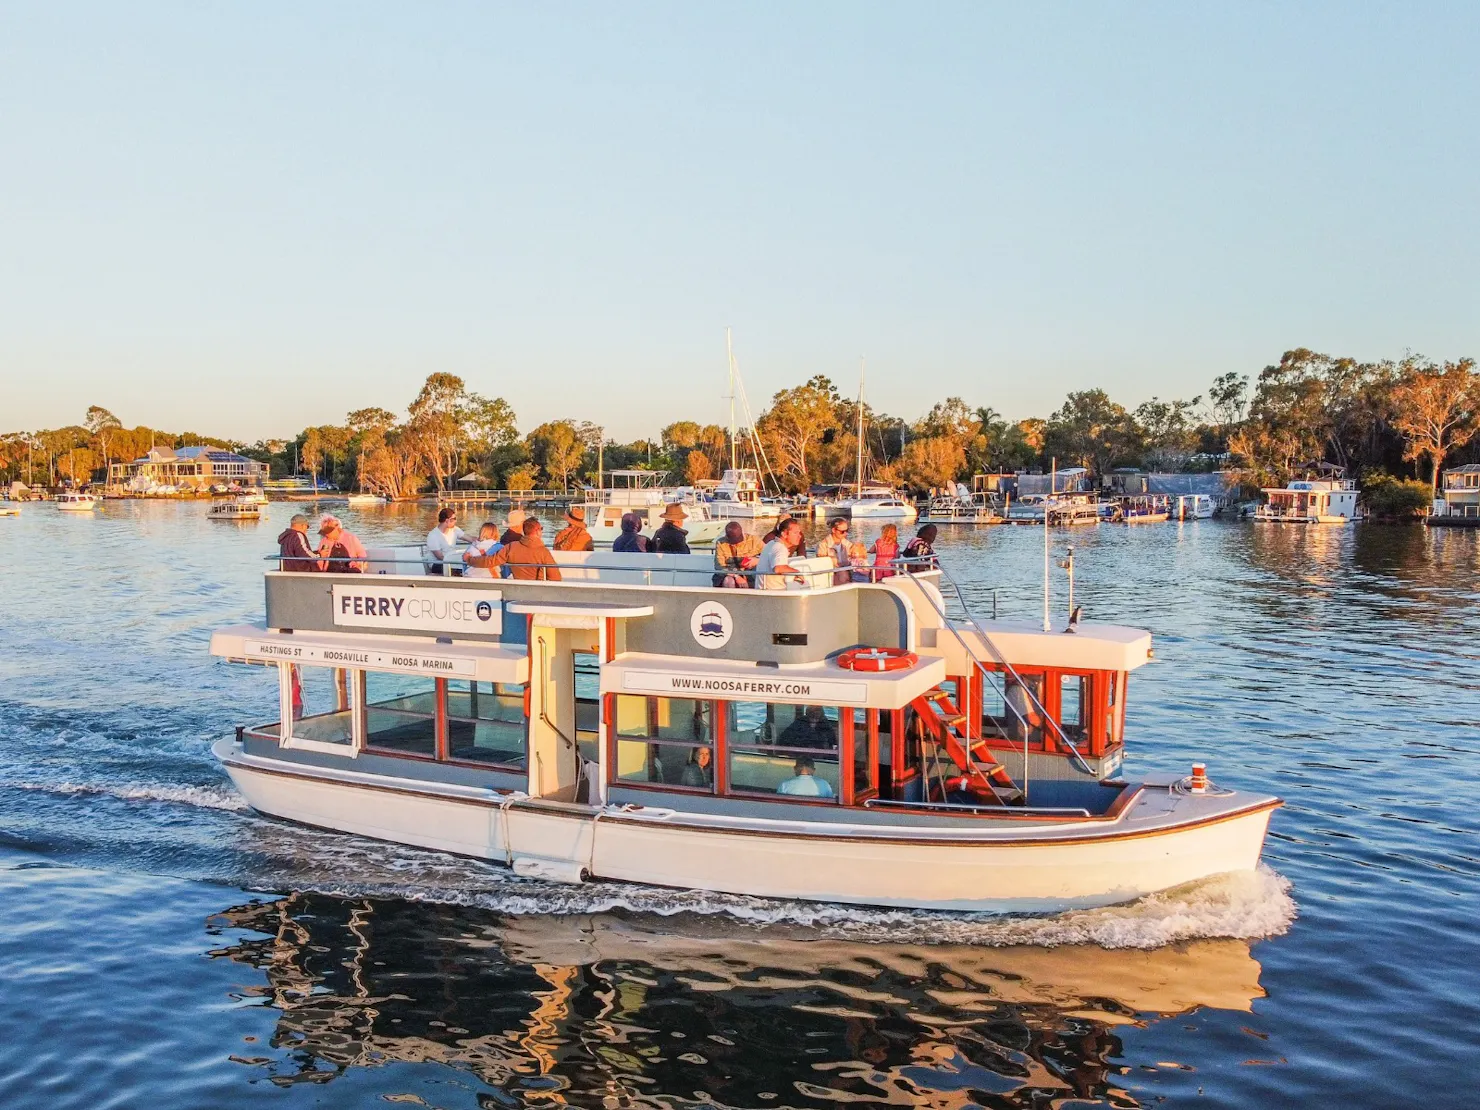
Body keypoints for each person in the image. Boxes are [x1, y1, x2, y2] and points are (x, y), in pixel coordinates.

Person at [466, 516, 563, 581]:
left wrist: (469, 559)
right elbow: (556, 577)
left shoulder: (511, 547)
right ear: (537, 531)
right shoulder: (543, 552)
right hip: (537, 590)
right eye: (541, 529)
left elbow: (489, 561)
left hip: (518, 589)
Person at [755, 518, 805, 589]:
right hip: (772, 592)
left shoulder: (771, 543)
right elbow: (778, 568)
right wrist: (797, 572)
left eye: (799, 533)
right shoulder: (780, 548)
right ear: (784, 534)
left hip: (764, 589)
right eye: (795, 533)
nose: (799, 536)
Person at [713, 521, 763, 587]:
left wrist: (757, 560)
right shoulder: (721, 543)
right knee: (729, 581)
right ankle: (731, 596)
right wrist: (736, 576)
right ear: (726, 537)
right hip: (729, 573)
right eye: (733, 541)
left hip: (749, 572)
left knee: (759, 578)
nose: (737, 543)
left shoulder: (754, 540)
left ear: (742, 532)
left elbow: (769, 555)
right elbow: (719, 566)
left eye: (739, 540)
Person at [425, 506, 469, 576]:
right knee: (460, 568)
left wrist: (484, 540)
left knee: (470, 566)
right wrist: (457, 562)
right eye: (454, 519)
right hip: (437, 563)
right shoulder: (433, 535)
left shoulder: (455, 529)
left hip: (450, 560)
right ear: (447, 520)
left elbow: (470, 538)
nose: (456, 521)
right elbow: (440, 557)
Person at [825, 517, 852, 585]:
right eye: (842, 531)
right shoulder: (823, 545)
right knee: (843, 574)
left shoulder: (848, 544)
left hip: (848, 572)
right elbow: (823, 566)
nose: (845, 533)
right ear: (834, 530)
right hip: (831, 575)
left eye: (847, 530)